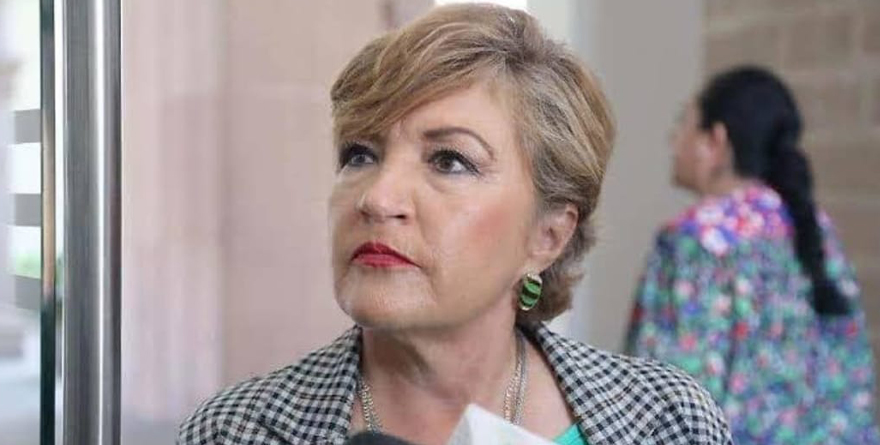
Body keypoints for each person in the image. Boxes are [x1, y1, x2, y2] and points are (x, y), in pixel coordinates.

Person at [178, 5, 731, 445]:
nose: (377, 198)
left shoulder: (669, 422)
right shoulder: (234, 432)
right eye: (359, 155)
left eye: (449, 161)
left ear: (547, 236)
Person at [626, 66, 880, 444]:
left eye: (684, 123)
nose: (673, 139)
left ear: (716, 140)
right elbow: (853, 377)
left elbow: (669, 402)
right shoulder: (816, 229)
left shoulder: (697, 240)